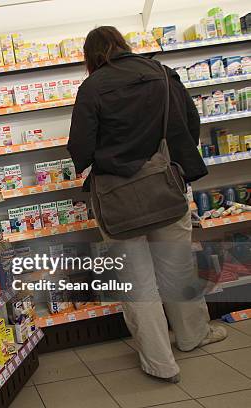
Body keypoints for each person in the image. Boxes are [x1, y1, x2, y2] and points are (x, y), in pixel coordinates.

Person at [67, 26, 226, 383]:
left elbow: (79, 147)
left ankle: (160, 363)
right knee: (178, 270)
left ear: (90, 57)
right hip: (165, 189)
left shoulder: (91, 87)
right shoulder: (160, 74)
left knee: (137, 284)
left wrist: (112, 158)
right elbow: (189, 123)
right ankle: (192, 336)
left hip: (115, 200)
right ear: (123, 45)